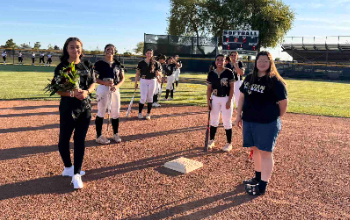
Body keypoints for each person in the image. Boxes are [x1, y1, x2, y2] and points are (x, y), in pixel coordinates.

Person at [234, 51, 288, 196]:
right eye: (260, 60)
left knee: (265, 152)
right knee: (255, 149)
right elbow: (242, 97)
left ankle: (263, 185)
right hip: (249, 120)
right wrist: (238, 115)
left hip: (267, 122)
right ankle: (257, 177)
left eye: (265, 60)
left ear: (270, 63)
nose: (262, 63)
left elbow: (283, 103)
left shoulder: (275, 81)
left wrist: (275, 117)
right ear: (256, 62)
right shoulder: (250, 78)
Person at [54, 37, 96, 189]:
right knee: (63, 140)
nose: (75, 50)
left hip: (84, 107)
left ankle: (77, 173)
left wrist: (87, 92)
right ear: (66, 49)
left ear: (81, 49)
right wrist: (72, 93)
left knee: (80, 140)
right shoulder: (61, 67)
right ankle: (68, 167)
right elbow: (57, 89)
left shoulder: (87, 65)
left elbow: (93, 82)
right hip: (68, 108)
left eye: (77, 47)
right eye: (72, 47)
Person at [94, 44, 125, 144]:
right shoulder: (99, 63)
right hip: (103, 88)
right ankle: (99, 136)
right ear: (104, 51)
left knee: (116, 111)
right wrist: (104, 83)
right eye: (108, 49)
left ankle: (115, 133)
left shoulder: (118, 64)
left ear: (114, 51)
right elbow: (94, 78)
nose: (110, 51)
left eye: (112, 49)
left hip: (114, 89)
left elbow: (122, 78)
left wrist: (116, 86)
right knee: (101, 111)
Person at [206, 54, 235, 152]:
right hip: (215, 99)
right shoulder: (211, 73)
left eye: (222, 60)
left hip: (226, 98)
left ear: (225, 61)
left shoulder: (229, 72)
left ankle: (229, 143)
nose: (219, 61)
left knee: (227, 121)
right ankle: (211, 140)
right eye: (218, 59)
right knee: (214, 120)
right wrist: (208, 101)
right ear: (215, 61)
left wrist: (229, 100)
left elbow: (232, 88)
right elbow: (209, 89)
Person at [134, 49, 161, 120]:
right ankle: (140, 113)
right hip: (143, 80)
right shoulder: (141, 63)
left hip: (152, 81)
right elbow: (137, 74)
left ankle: (148, 113)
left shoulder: (156, 63)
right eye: (148, 53)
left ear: (152, 54)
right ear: (145, 54)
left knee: (150, 98)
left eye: (151, 53)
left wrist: (158, 75)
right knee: (143, 98)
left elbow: (158, 73)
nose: (149, 54)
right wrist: (136, 83)